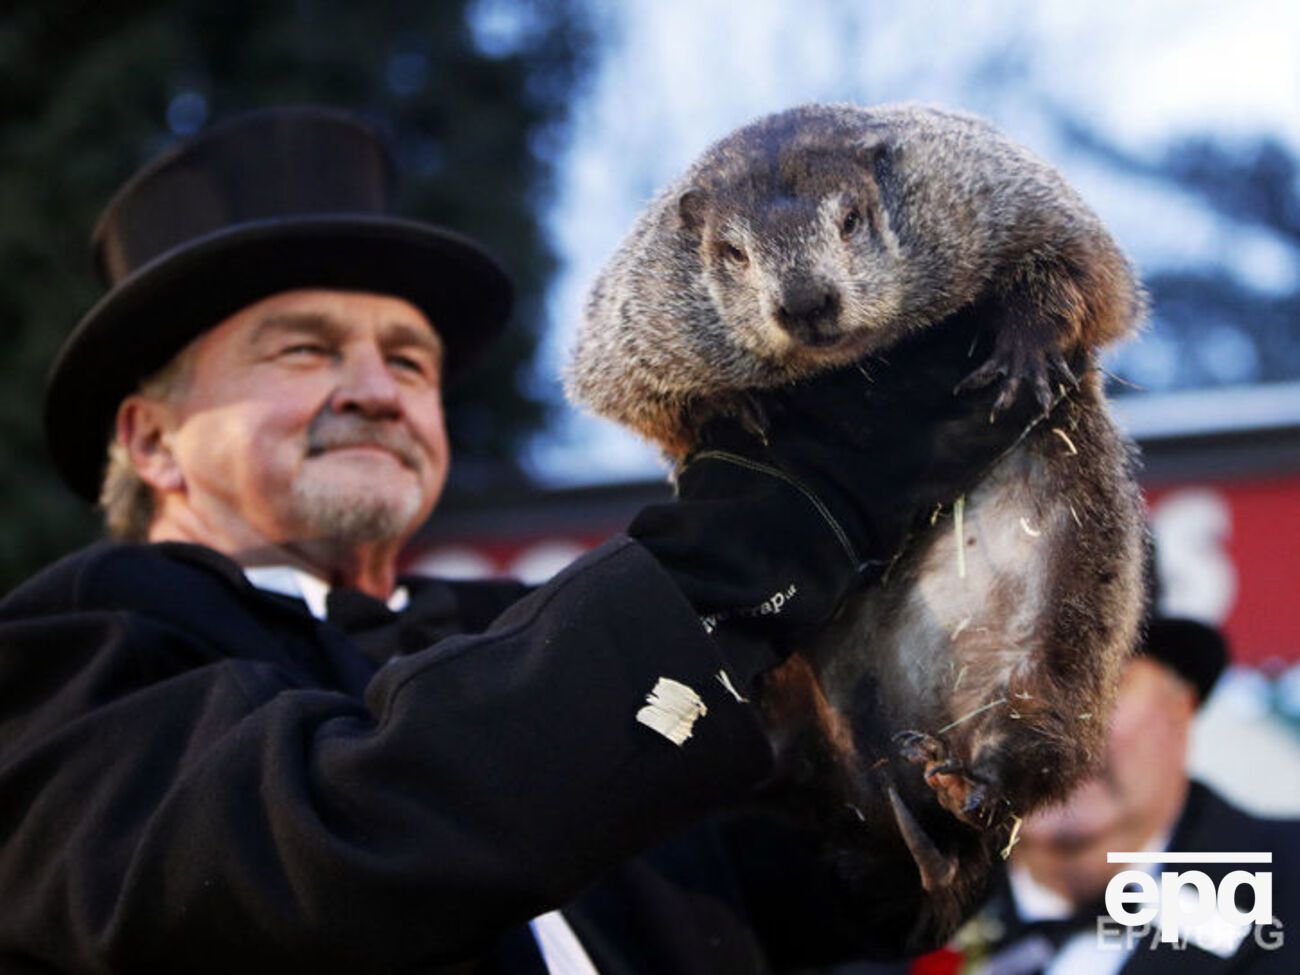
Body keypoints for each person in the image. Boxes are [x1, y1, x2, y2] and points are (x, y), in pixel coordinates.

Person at [0, 107, 1039, 973]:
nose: (375, 392)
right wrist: (758, 540)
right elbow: (302, 859)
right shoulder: (81, 649)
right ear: (153, 441)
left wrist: (948, 752)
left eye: (409, 363)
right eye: (304, 350)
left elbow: (813, 899)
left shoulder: (511, 635)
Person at [937, 617, 1300, 975]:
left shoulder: (1285, 894)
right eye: (1002, 689)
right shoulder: (908, 915)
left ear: (1181, 705)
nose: (1049, 729)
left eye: (1096, 682)